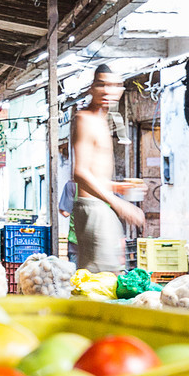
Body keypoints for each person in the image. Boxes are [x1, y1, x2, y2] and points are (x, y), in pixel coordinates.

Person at [70, 64, 143, 273]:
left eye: (114, 85)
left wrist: (119, 188)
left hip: (101, 205)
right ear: (92, 88)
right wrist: (119, 205)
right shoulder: (85, 120)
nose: (107, 91)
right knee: (101, 277)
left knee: (110, 272)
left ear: (121, 90)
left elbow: (93, 174)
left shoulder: (103, 121)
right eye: (102, 84)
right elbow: (80, 173)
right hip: (93, 208)